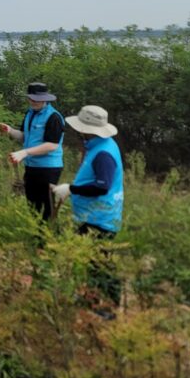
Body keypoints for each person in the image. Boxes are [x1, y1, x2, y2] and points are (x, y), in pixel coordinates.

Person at [50, 105, 125, 308]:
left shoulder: (103, 153)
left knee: (101, 265)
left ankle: (108, 307)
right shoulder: (99, 145)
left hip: (100, 218)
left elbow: (102, 186)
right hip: (93, 215)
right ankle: (91, 300)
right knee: (92, 263)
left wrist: (71, 189)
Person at [0, 82, 65, 220]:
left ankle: (48, 238)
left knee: (47, 207)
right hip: (31, 166)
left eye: (37, 99)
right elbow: (24, 136)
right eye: (31, 98)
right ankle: (35, 236)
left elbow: (52, 145)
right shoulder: (30, 113)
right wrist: (10, 131)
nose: (33, 101)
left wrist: (24, 153)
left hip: (49, 168)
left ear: (45, 98)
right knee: (33, 206)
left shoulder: (54, 117)